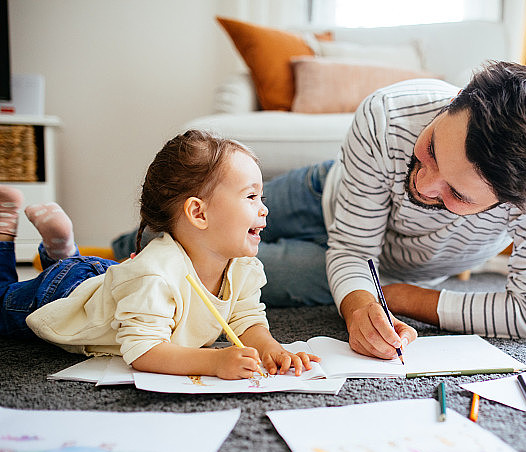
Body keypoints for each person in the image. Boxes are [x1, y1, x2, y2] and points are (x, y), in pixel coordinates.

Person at [114, 61, 526, 361]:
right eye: (431, 148)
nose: (423, 182)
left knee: (209, 273)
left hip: (371, 270)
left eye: (457, 195)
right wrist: (360, 307)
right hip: (327, 195)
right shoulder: (389, 114)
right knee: (180, 228)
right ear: (454, 102)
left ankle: (126, 260)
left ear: (511, 204)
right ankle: (114, 256)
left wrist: (395, 297)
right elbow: (354, 247)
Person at [0, 130, 317, 379]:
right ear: (199, 213)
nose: (264, 208)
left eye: (261, 196)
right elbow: (144, 351)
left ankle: (63, 252)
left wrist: (271, 349)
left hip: (115, 282)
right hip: (64, 294)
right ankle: (9, 236)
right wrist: (213, 361)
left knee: (107, 280)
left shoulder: (242, 265)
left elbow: (246, 320)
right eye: (251, 196)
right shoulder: (156, 275)